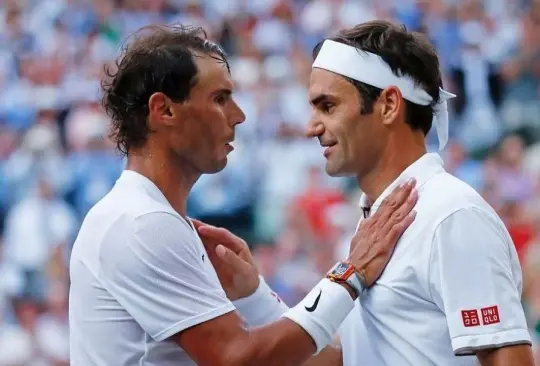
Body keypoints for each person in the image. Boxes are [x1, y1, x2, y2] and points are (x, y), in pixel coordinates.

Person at [68, 24, 418, 366]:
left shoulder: (147, 217)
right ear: (164, 110)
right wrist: (350, 273)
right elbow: (235, 358)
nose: (239, 116)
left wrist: (253, 295)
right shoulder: (143, 223)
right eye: (220, 99)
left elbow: (308, 361)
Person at [196, 20, 535, 366]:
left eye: (327, 106)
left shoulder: (452, 215)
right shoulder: (378, 222)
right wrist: (255, 295)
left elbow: (509, 359)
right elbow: (351, 360)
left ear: (388, 104)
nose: (310, 127)